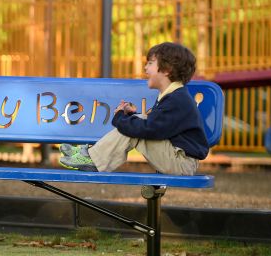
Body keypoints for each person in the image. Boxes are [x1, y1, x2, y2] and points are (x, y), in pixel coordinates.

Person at [59, 42, 208, 175]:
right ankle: (92, 156)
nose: (145, 68)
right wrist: (132, 115)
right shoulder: (173, 96)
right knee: (137, 122)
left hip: (181, 163)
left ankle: (92, 159)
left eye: (150, 63)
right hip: (176, 158)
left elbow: (150, 129)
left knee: (137, 124)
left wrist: (120, 118)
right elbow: (157, 126)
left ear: (167, 70)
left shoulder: (177, 99)